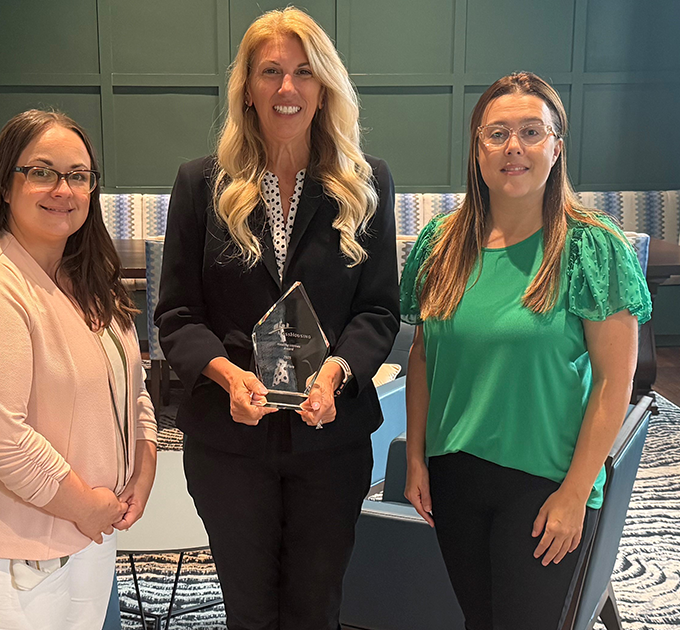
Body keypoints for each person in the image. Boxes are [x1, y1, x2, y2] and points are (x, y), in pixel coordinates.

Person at [155, 7, 399, 630]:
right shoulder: (199, 184)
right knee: (249, 607)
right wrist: (225, 376)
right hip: (229, 439)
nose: (286, 88)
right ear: (247, 88)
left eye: (303, 72)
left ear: (324, 88)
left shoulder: (366, 185)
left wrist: (338, 371)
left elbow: (378, 310)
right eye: (270, 72)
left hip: (332, 440)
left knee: (317, 605)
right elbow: (178, 315)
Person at [400, 72, 652, 630]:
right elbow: (423, 357)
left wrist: (576, 492)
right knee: (479, 620)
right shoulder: (441, 243)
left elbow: (617, 381)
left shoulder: (592, 246)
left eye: (531, 131)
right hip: (454, 474)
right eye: (497, 133)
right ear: (477, 148)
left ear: (556, 145)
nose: (513, 146)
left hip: (546, 483)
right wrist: (416, 458)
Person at [0, 109, 157, 630]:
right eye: (41, 171)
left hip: (83, 533)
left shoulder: (91, 280)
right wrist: (86, 506)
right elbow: (0, 436)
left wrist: (145, 457)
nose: (62, 189)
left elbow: (132, 383)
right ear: (5, 183)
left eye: (78, 175)